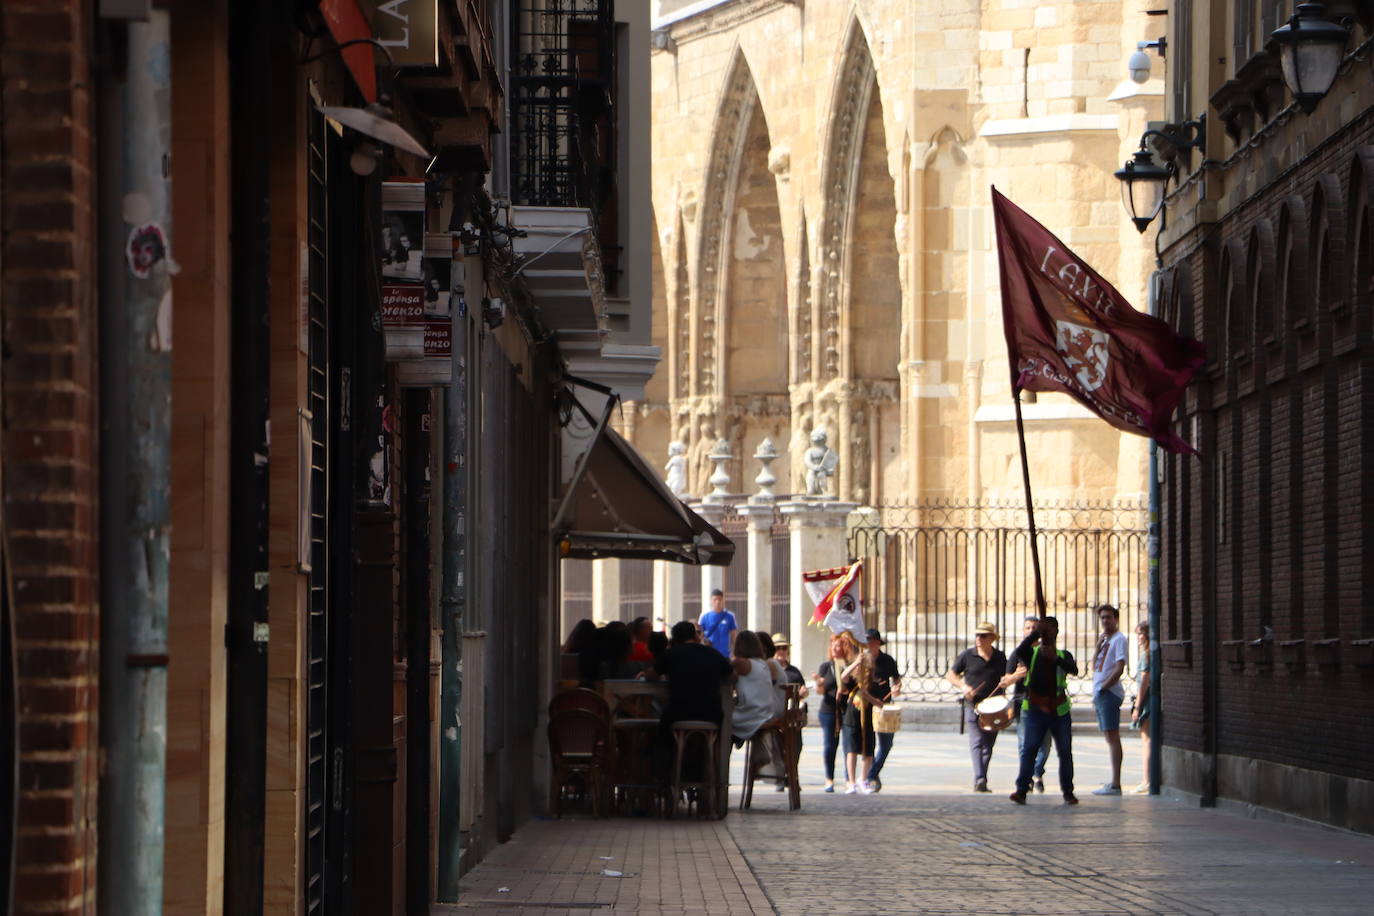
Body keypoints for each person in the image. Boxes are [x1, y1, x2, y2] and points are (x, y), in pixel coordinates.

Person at [643, 620, 734, 779]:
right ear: (695, 636)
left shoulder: (671, 654)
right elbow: (732, 676)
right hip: (711, 714)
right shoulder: (712, 653)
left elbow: (651, 676)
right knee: (709, 743)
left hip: (679, 713)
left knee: (662, 737)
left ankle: (666, 779)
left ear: (675, 640)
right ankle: (710, 780)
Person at [1005, 616, 1079, 805]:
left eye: (1050, 629)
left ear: (1057, 632)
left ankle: (1068, 792)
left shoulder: (1064, 655)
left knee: (1064, 751)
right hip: (1036, 708)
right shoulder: (1032, 653)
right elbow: (1020, 650)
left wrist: (1056, 660)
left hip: (1059, 709)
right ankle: (1022, 789)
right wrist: (1036, 633)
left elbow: (1074, 670)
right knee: (1029, 749)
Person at [946, 621, 1008, 792]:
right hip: (973, 705)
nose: (979, 638)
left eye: (983, 635)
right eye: (977, 635)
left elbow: (1006, 676)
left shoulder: (1000, 657)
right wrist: (963, 686)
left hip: (994, 707)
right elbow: (951, 674)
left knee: (988, 745)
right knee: (977, 742)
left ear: (992, 638)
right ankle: (980, 778)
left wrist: (1007, 680)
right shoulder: (967, 655)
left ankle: (981, 778)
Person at [1007, 615, 1052, 793]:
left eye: (1034, 628)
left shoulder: (1047, 651)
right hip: (1022, 703)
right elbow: (1005, 679)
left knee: (1045, 743)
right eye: (1028, 628)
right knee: (1025, 743)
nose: (1031, 631)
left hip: (1045, 703)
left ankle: (1037, 772)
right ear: (1023, 631)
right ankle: (1030, 777)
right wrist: (1017, 675)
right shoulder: (1017, 653)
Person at [1091, 604, 1129, 795]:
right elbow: (1095, 665)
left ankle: (1116, 783)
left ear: (1115, 619)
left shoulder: (1119, 639)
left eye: (1108, 617)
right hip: (1100, 692)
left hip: (1109, 693)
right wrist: (1097, 647)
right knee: (1108, 736)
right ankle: (1113, 782)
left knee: (1112, 736)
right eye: (1102, 618)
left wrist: (1105, 686)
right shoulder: (1106, 640)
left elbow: (1120, 666)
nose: (1105, 621)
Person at [837, 631, 880, 795]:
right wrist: (856, 663)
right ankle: (852, 782)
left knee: (868, 750)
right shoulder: (854, 679)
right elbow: (844, 676)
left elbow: (873, 698)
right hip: (852, 717)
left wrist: (874, 700)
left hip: (867, 717)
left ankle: (863, 779)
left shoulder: (872, 683)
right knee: (852, 750)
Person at [864, 628, 901, 792]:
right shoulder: (863, 660)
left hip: (885, 706)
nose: (869, 644)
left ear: (878, 643)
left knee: (886, 743)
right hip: (866, 706)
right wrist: (873, 700)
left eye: (872, 641)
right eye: (867, 641)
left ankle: (872, 773)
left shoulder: (887, 660)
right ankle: (871, 776)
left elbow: (896, 679)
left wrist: (897, 688)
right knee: (868, 745)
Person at [812, 635, 849, 793]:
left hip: (846, 710)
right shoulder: (826, 667)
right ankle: (829, 779)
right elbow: (820, 691)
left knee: (849, 746)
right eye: (833, 646)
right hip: (828, 710)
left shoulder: (850, 666)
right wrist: (818, 683)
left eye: (838, 646)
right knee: (829, 746)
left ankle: (850, 779)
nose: (834, 649)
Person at [1128, 620, 1151, 794]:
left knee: (1147, 741)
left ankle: (1147, 779)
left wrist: (1137, 706)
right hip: (1150, 701)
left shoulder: (1146, 655)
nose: (1138, 637)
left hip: (1147, 702)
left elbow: (1144, 681)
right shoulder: (1152, 654)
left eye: (1140, 633)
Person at [697, 588, 738, 657]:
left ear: (723, 600)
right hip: (709, 653)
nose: (717, 602)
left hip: (724, 654)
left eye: (720, 599)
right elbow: (699, 634)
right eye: (715, 599)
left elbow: (734, 635)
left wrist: (735, 653)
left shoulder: (730, 616)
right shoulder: (704, 616)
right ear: (711, 600)